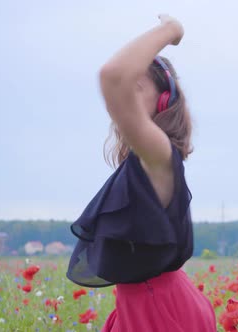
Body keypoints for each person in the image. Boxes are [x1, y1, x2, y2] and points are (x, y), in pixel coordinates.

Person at [66, 14, 217, 332]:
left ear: (164, 101)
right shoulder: (142, 163)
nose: (124, 99)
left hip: (161, 311)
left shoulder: (159, 155)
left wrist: (171, 30)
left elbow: (112, 76)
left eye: (137, 89)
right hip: (142, 304)